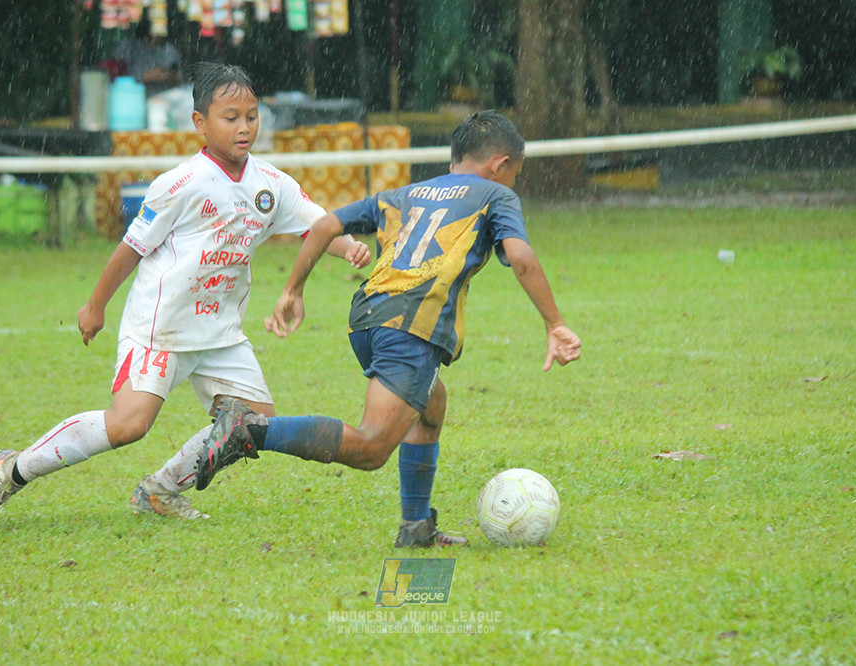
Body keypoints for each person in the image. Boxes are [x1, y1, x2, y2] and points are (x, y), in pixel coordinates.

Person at [0, 62, 371, 528]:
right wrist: (95, 306)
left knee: (253, 423)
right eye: (230, 117)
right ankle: (11, 468)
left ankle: (160, 490)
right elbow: (130, 250)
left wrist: (348, 246)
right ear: (200, 122)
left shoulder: (270, 185)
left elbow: (317, 227)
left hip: (220, 333)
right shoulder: (181, 183)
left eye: (252, 116)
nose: (243, 127)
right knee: (129, 425)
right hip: (160, 329)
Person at [193, 110, 581, 547]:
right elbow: (523, 259)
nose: (513, 183)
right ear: (500, 165)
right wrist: (555, 324)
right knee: (372, 447)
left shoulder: (406, 193)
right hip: (411, 327)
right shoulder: (496, 195)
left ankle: (416, 527)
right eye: (516, 174)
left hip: (368, 318)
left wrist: (293, 290)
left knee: (430, 407)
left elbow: (324, 225)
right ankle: (250, 429)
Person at [112, 16, 182, 96]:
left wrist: (168, 75)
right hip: (132, 96)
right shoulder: (129, 47)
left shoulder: (169, 50)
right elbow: (116, 76)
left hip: (163, 98)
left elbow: (180, 80)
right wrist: (145, 77)